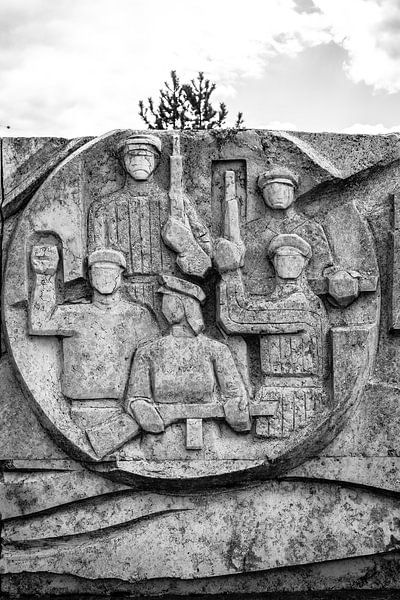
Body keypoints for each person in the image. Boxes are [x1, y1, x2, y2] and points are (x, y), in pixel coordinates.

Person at [87, 133, 211, 309]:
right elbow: (96, 264)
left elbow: (205, 265)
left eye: (145, 156)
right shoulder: (103, 208)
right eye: (132, 155)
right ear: (122, 161)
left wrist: (186, 245)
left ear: (156, 160)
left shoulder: (178, 203)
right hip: (120, 296)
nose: (139, 161)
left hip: (172, 297)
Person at [214, 166, 361, 307]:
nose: (278, 194)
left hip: (299, 299)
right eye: (271, 189)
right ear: (262, 193)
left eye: (284, 188)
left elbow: (325, 269)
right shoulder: (250, 230)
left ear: (294, 192)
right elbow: (235, 265)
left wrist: (340, 277)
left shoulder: (310, 229)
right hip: (255, 299)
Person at [124, 275, 251, 439]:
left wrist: (236, 408)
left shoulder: (217, 350)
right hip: (160, 440)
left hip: (209, 437)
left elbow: (236, 397)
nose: (164, 307)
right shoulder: (148, 352)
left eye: (169, 300)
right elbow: (136, 397)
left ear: (184, 305)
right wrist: (141, 409)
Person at [29, 245, 159, 401]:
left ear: (120, 275)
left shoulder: (138, 317)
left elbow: (156, 357)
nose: (104, 277)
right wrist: (45, 276)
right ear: (90, 277)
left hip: (132, 409)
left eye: (110, 272)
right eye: (98, 272)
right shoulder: (75, 315)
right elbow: (41, 323)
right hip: (81, 406)